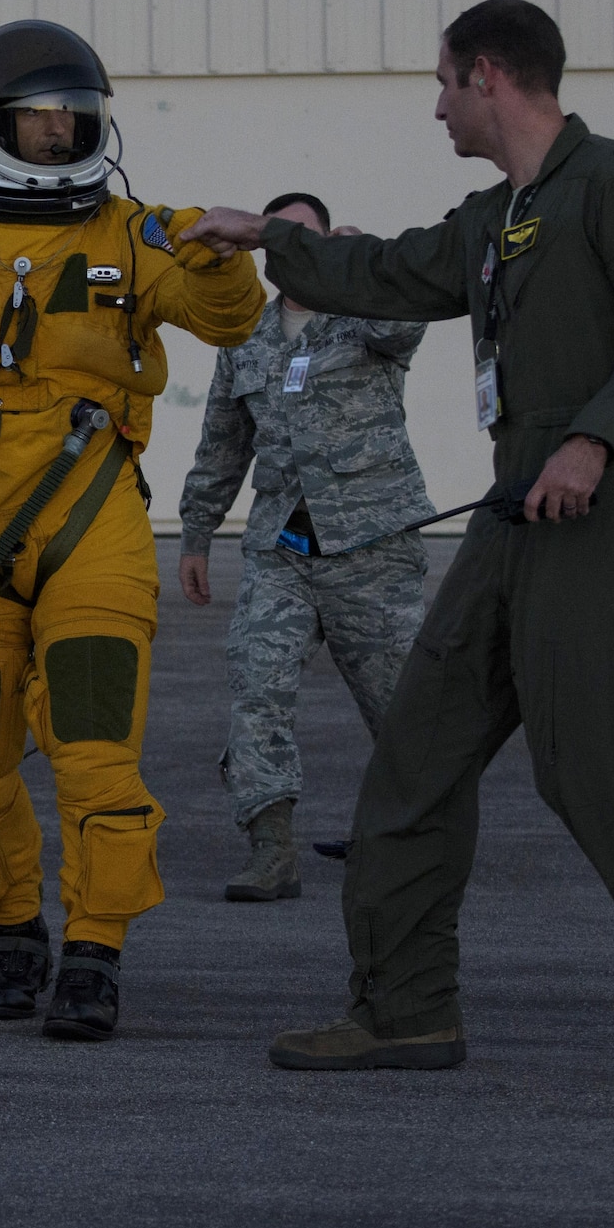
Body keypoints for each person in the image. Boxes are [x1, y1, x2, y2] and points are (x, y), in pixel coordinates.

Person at [180, 0, 614, 1086]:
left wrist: (590, 444)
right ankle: (403, 1011)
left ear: (487, 74)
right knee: (414, 759)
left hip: (597, 512)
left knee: (585, 773)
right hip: (512, 512)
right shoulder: (495, 220)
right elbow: (383, 271)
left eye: (441, 84)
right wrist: (263, 237)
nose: (434, 107)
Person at [0, 19, 264, 1040]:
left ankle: (94, 953)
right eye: (35, 123)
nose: (58, 138)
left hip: (88, 525)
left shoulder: (132, 235)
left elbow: (226, 320)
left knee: (94, 757)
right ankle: (12, 928)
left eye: (74, 122)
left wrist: (213, 261)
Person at [177, 191, 431, 904]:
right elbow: (222, 443)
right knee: (256, 687)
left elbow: (407, 324)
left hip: (371, 544)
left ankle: (406, 837)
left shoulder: (367, 315)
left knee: (401, 706)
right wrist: (197, 531)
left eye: (313, 240)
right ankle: (271, 850)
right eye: (287, 239)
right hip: (282, 546)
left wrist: (366, 262)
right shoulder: (245, 334)